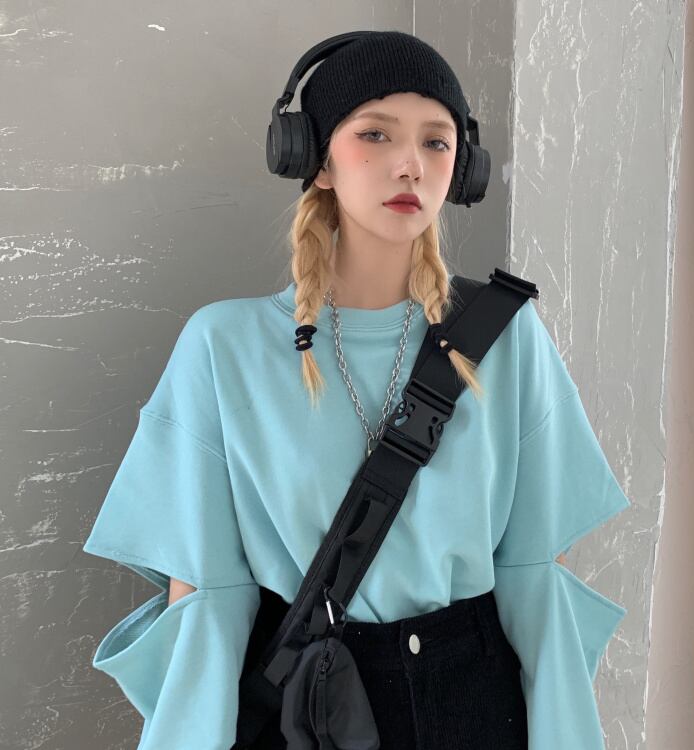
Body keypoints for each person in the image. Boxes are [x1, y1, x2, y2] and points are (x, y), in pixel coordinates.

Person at [83, 30, 631, 750]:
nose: (410, 164)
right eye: (375, 134)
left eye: (436, 142)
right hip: (304, 714)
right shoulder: (224, 349)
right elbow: (207, 603)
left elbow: (537, 584)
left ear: (462, 169)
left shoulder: (507, 338)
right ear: (315, 159)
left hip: (473, 710)